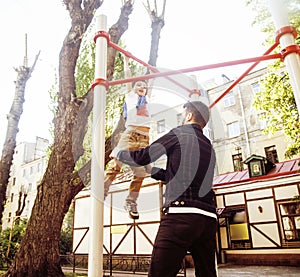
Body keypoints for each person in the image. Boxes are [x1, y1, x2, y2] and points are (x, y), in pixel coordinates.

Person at [115, 101, 217, 277]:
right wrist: (151, 171)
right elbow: (179, 176)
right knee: (207, 274)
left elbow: (143, 156)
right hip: (208, 219)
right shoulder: (209, 146)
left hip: (181, 215)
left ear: (189, 116)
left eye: (183, 114)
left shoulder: (180, 133)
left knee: (160, 273)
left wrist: (119, 153)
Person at [104, 57, 152, 220]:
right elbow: (128, 77)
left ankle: (131, 201)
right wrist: (125, 60)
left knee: (140, 172)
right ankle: (103, 187)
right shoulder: (131, 97)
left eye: (144, 87)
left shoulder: (148, 100)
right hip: (131, 134)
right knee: (117, 160)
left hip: (144, 138)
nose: (142, 88)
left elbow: (150, 84)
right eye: (139, 85)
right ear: (133, 87)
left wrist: (151, 72)